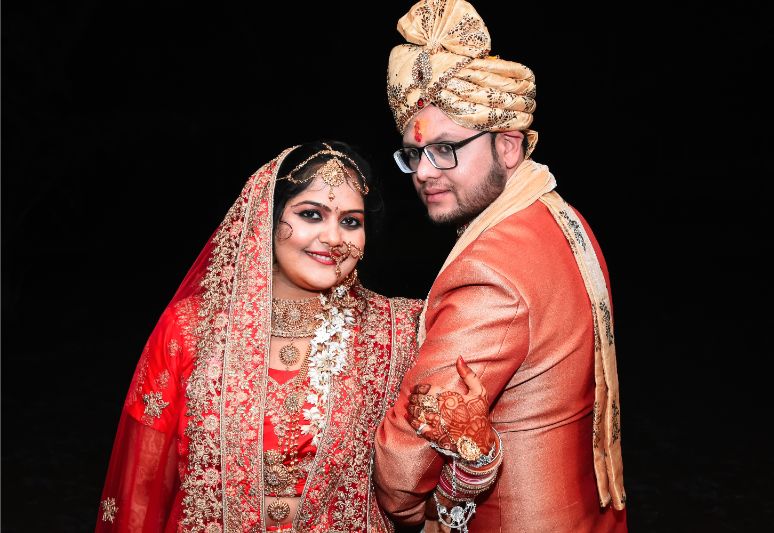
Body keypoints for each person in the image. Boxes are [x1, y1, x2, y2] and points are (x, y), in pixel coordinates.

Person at [96, 140, 462, 532]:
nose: (333, 238)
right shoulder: (193, 328)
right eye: (311, 214)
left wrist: (475, 457)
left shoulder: (400, 329)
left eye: (351, 222)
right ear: (265, 220)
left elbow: (434, 478)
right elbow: (142, 487)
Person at [374, 1, 628, 531]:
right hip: (585, 510)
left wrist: (409, 510)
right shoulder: (560, 215)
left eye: (446, 149)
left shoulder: (490, 272)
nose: (424, 172)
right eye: (414, 154)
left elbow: (410, 447)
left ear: (509, 146)